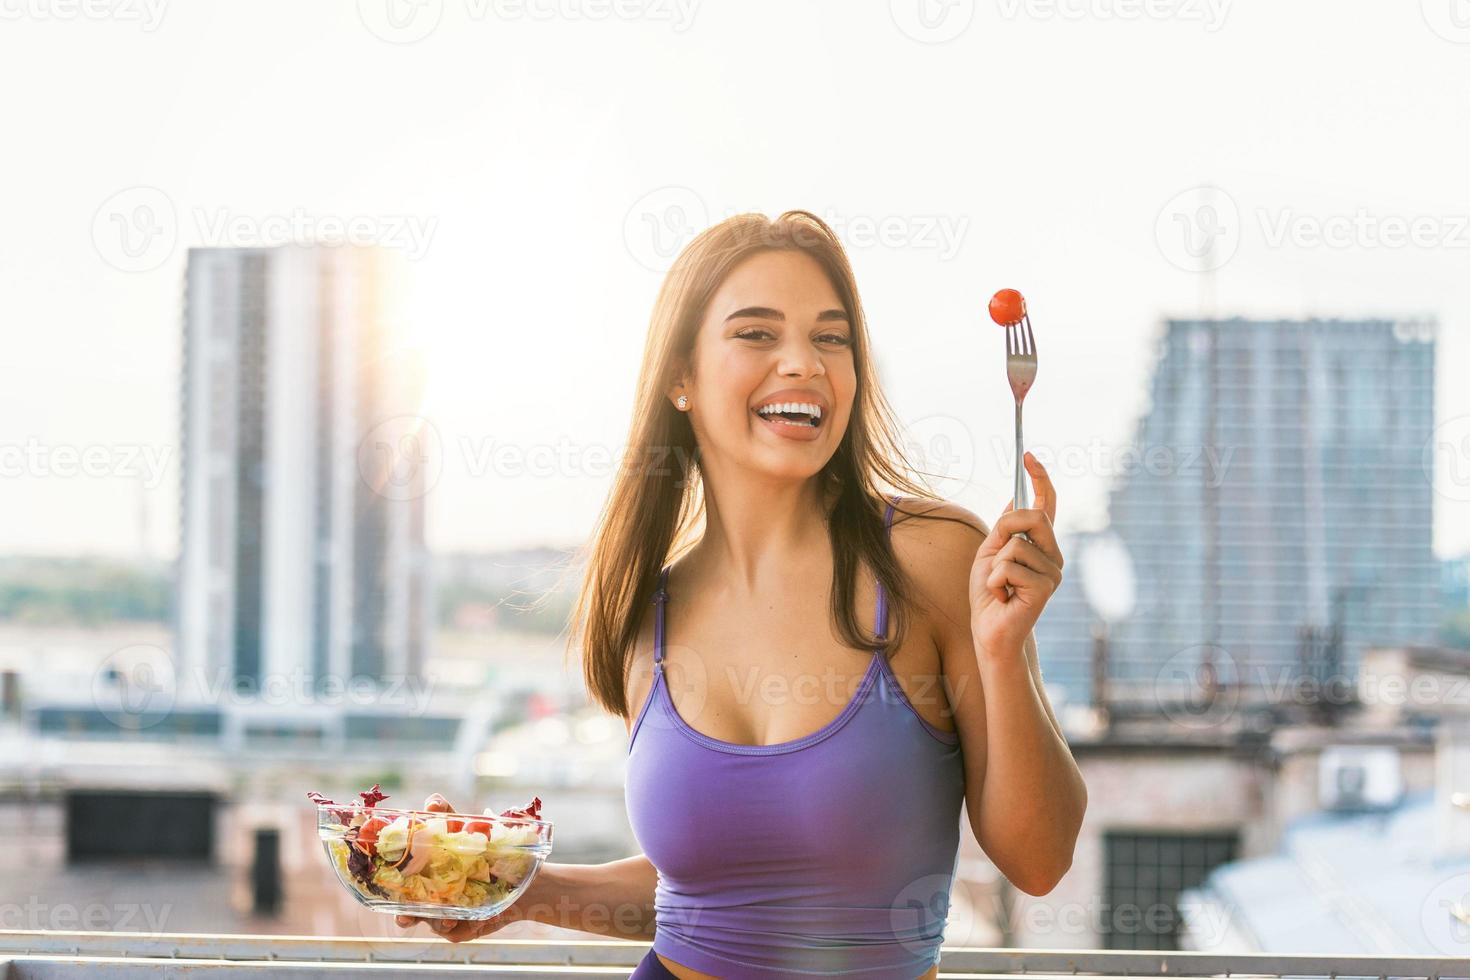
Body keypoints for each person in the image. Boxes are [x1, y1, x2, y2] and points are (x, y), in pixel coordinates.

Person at [398, 211, 1087, 978]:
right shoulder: (646, 620)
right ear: (680, 379)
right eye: (757, 334)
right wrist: (523, 890)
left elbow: (1040, 859)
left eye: (832, 338)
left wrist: (1002, 650)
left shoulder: (933, 558)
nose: (804, 362)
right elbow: (710, 898)